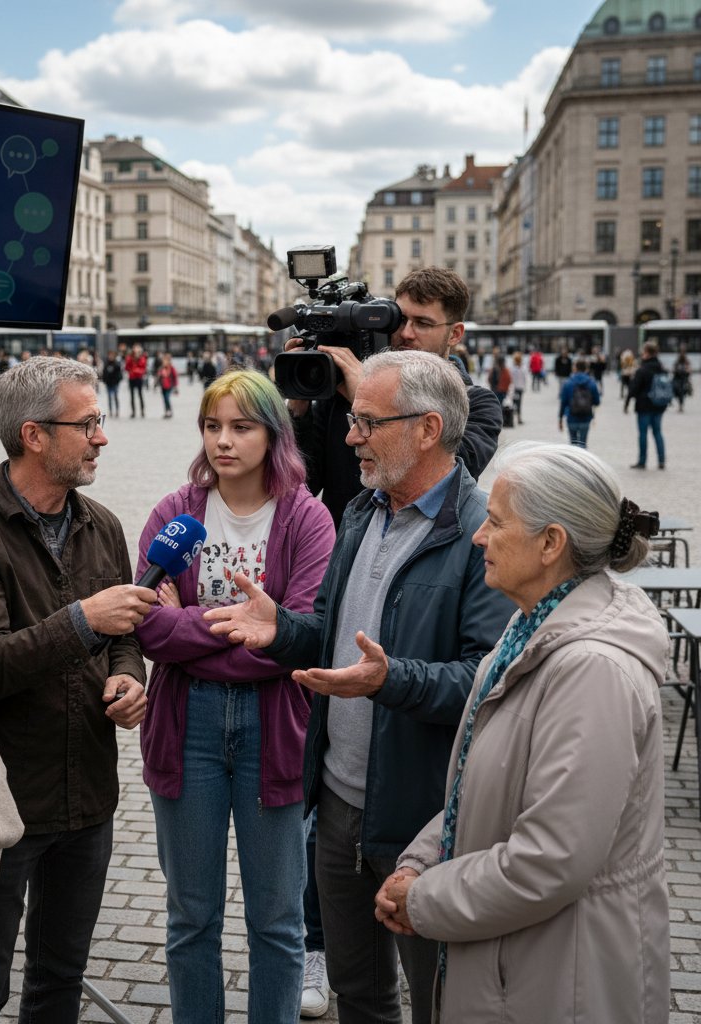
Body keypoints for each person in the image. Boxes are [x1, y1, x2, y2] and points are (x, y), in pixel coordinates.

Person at [204, 351, 514, 1024]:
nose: (349, 437)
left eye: (367, 422)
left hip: (427, 820)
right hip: (338, 807)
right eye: (351, 419)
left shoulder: (481, 531)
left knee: (439, 999)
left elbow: (489, 684)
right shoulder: (361, 512)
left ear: (428, 429)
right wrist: (282, 628)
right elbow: (333, 634)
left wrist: (389, 680)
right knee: (359, 994)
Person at [374, 441, 668, 1024]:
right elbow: (477, 783)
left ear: (551, 543)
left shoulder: (591, 671)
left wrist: (426, 899)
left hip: (561, 978)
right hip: (514, 959)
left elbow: (550, 860)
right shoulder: (529, 627)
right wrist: (419, 860)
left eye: (496, 522)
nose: (479, 536)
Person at [0, 356, 153, 1023]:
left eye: (100, 422)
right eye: (87, 424)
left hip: (88, 795)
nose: (102, 438)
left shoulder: (102, 524)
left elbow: (126, 635)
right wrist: (84, 622)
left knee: (60, 980)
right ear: (33, 435)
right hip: (3, 801)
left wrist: (128, 675)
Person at [135, 370, 335, 1023]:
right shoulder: (175, 514)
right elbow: (149, 628)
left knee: (276, 919)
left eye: (241, 426)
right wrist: (245, 634)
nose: (224, 441)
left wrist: (191, 624)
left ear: (273, 433)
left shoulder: (306, 518)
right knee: (191, 915)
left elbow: (300, 634)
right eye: (212, 425)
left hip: (273, 727)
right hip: (184, 720)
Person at [289, 265, 502, 528]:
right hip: (343, 551)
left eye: (423, 323)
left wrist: (367, 397)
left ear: (455, 334)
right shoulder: (339, 393)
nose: (406, 333)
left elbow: (452, 476)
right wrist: (298, 407)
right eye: (400, 319)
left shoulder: (478, 404)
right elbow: (303, 483)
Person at [625, 340, 669, 469]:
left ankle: (642, 461)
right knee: (658, 432)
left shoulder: (642, 370)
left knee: (643, 433)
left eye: (643, 352)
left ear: (647, 353)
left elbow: (634, 389)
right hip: (659, 405)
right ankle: (661, 461)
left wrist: (627, 403)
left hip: (644, 406)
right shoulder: (662, 368)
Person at [558, 357, 601, 448]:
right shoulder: (591, 383)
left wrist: (560, 419)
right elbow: (597, 402)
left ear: (575, 368)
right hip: (586, 417)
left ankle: (573, 461)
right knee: (583, 443)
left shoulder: (568, 383)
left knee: (573, 445)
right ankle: (582, 460)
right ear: (586, 368)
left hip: (571, 417)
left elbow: (563, 402)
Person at [126, 343, 148, 418]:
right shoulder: (130, 357)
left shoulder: (142, 358)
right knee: (132, 396)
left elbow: (144, 368)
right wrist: (132, 370)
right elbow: (127, 367)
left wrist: (138, 370)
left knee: (140, 395)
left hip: (139, 378)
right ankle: (133, 412)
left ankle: (142, 411)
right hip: (132, 378)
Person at [101, 350, 123, 417]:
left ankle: (117, 411)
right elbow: (104, 373)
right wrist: (104, 380)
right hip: (108, 383)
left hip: (115, 383)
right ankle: (110, 411)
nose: (111, 357)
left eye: (112, 355)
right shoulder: (106, 363)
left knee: (115, 397)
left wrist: (117, 381)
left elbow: (119, 374)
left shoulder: (117, 364)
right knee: (109, 398)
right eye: (109, 355)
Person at [157, 351, 179, 418]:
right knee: (164, 399)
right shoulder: (161, 368)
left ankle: (169, 411)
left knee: (167, 398)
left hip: (170, 385)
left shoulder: (171, 368)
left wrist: (175, 386)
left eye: (166, 361)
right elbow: (158, 376)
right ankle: (166, 412)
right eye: (164, 361)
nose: (165, 362)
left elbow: (175, 377)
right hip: (163, 385)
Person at [509, 350, 527, 424]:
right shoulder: (522, 368)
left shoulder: (513, 368)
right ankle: (518, 418)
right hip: (519, 388)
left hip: (514, 388)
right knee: (518, 403)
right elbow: (525, 378)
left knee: (514, 403)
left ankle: (514, 417)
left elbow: (511, 379)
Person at [673, 344, 692, 412]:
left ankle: (681, 406)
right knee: (678, 392)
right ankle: (680, 405)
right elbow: (674, 369)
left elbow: (689, 370)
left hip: (683, 379)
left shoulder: (686, 360)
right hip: (678, 378)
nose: (682, 352)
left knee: (681, 393)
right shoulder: (678, 359)